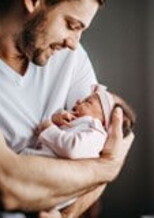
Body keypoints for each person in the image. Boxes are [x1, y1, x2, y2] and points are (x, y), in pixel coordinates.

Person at [0, 0, 135, 217]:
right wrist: (107, 169)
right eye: (71, 25)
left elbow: (102, 142)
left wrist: (65, 215)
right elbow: (8, 185)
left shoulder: (71, 57)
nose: (74, 43)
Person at [20, 84, 136, 216]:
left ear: (104, 120)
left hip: (52, 181)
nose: (78, 101)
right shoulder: (81, 124)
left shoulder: (96, 132)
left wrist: (49, 129)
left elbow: (72, 148)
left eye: (88, 102)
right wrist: (55, 120)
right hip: (41, 174)